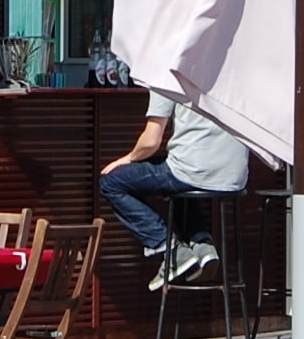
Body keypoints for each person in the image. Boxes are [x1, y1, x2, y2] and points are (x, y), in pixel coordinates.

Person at [100, 89, 250, 288]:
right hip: (235, 175)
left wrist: (126, 159)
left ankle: (170, 250)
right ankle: (202, 244)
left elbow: (151, 142)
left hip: (192, 171)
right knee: (175, 179)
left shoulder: (166, 75)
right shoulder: (226, 68)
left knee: (111, 182)